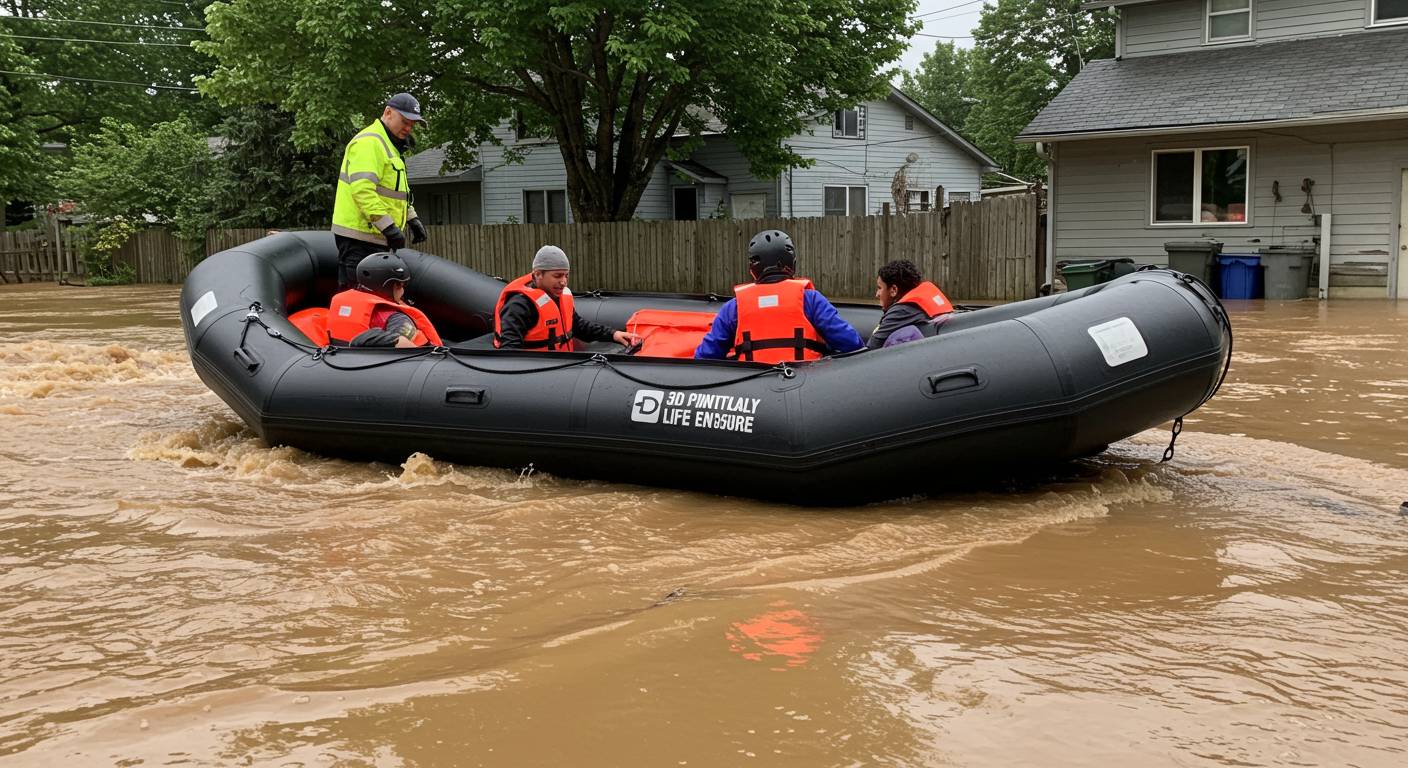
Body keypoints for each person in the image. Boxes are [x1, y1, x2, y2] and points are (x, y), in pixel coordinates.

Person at [694, 230, 863, 362]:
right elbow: (852, 344)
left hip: (753, 389)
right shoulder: (810, 299)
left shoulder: (734, 307)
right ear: (792, 264)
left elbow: (706, 357)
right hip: (805, 387)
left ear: (753, 270)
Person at [330, 92, 431, 288]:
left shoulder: (390, 146)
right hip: (359, 237)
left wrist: (412, 218)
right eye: (405, 121)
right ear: (388, 112)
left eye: (413, 124)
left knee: (374, 297)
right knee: (359, 298)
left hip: (375, 237)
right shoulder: (369, 143)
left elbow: (397, 192)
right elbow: (363, 190)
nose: (409, 128)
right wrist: (389, 227)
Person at [494, 245, 642, 351]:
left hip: (561, 370)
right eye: (557, 276)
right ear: (538, 275)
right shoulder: (519, 304)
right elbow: (509, 351)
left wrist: (613, 334)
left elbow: (579, 326)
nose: (563, 281)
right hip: (538, 374)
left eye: (566, 275)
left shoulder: (559, 297)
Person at [327, 252, 443, 348]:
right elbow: (414, 350)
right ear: (386, 285)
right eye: (400, 285)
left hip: (342, 357)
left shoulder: (343, 303)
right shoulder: (396, 318)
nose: (402, 290)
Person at [866, 259, 954, 349]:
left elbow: (871, 349)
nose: (877, 294)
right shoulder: (921, 304)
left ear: (893, 290)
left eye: (879, 288)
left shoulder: (901, 311)